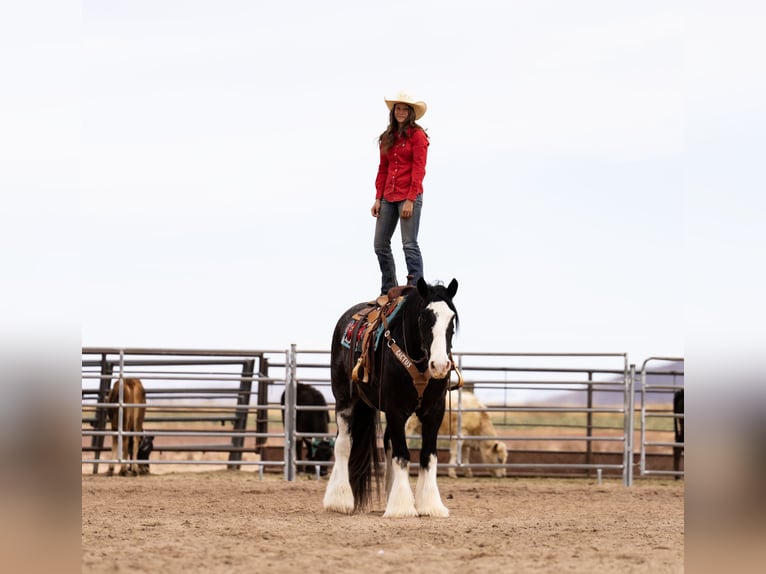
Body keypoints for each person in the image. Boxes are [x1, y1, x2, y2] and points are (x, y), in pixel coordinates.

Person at [371, 91, 429, 295]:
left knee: (409, 244)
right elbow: (383, 168)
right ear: (393, 111)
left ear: (411, 112)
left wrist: (411, 199)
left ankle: (417, 287)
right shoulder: (388, 137)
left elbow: (419, 168)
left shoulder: (418, 136)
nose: (401, 112)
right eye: (398, 108)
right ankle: (388, 288)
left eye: (405, 109)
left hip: (407, 196)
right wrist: (378, 197)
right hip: (388, 195)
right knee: (380, 244)